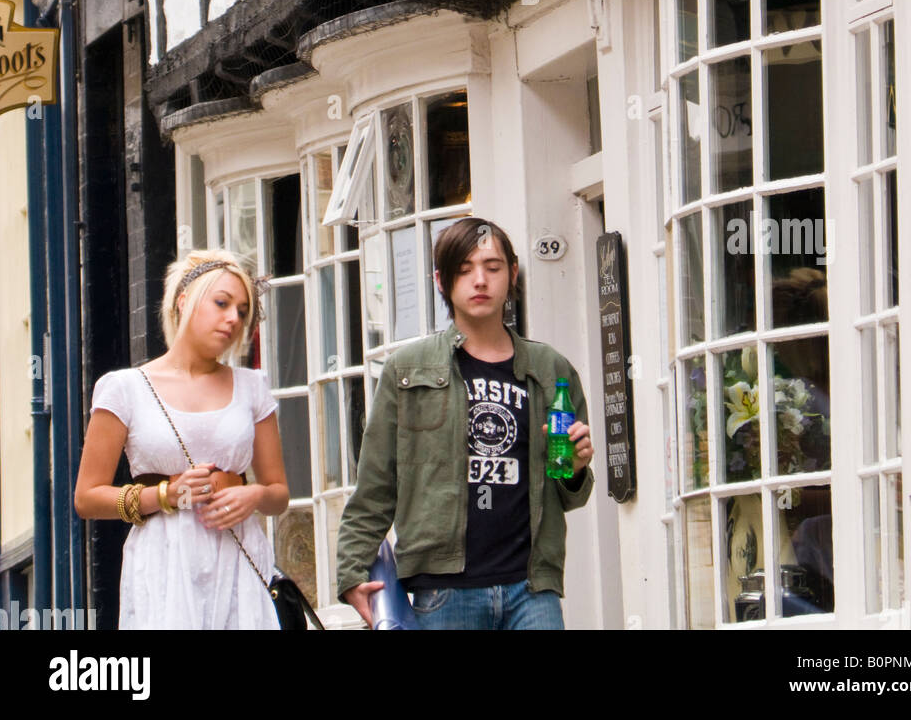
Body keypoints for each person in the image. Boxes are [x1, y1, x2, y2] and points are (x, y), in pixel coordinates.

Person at [337, 217, 594, 630]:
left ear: (512, 275)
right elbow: (375, 483)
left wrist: (576, 469)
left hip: (531, 588)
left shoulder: (550, 369)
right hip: (443, 590)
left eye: (492, 268)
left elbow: (568, 492)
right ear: (442, 280)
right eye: (465, 269)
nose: (480, 280)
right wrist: (351, 572)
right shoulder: (407, 369)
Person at [75, 249, 289, 629]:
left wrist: (253, 495)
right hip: (164, 560)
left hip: (238, 555)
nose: (233, 319)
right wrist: (165, 495)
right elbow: (87, 498)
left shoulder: (252, 387)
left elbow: (278, 493)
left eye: (242, 311)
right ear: (184, 300)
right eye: (222, 303)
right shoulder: (124, 388)